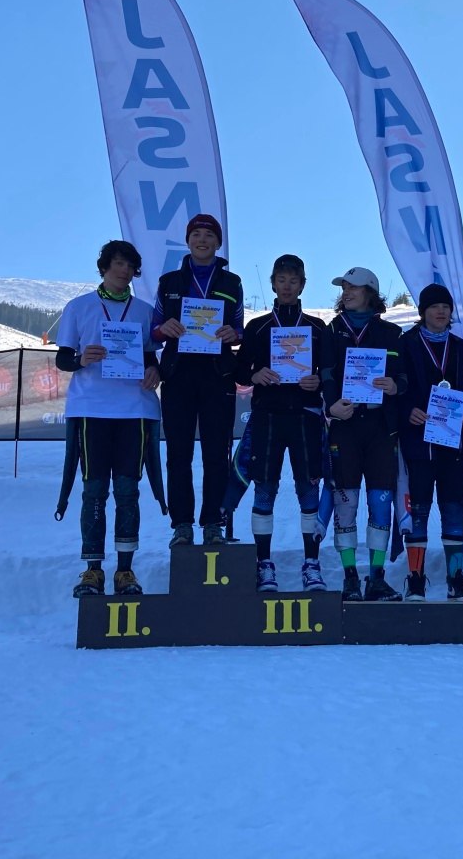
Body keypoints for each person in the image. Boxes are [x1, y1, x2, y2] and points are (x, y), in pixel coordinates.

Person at [56, 240, 162, 597]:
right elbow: (63, 359)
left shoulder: (144, 311)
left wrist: (155, 372)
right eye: (118, 264)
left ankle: (125, 571)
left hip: (135, 410)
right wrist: (81, 359)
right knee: (95, 491)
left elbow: (152, 358)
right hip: (92, 409)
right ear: (104, 267)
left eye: (130, 266)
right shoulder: (79, 307)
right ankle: (93, 570)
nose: (124, 271)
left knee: (128, 491)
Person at [233, 254, 332, 592]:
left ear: (302, 285)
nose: (287, 286)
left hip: (306, 418)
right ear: (273, 284)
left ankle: (312, 563)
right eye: (281, 280)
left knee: (308, 488)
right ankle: (264, 564)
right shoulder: (258, 327)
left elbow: (330, 373)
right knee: (265, 488)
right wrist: (254, 374)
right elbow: (238, 370)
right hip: (268, 417)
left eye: (293, 280)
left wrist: (318, 382)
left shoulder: (317, 328)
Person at [152, 214, 244, 547]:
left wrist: (233, 334)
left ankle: (213, 523)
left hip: (217, 374)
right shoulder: (169, 281)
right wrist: (164, 329)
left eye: (208, 235)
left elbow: (239, 328)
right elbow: (154, 328)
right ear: (188, 240)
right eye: (196, 234)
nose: (202, 240)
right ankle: (182, 524)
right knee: (178, 453)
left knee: (216, 452)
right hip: (178, 373)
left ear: (218, 242)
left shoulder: (232, 282)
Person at [320, 267, 407, 601]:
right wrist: (331, 406)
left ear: (370, 292)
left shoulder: (391, 333)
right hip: (345, 425)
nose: (346, 292)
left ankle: (377, 577)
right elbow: (326, 373)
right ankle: (350, 578)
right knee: (346, 501)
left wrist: (395, 386)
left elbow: (405, 377)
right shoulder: (332, 330)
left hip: (379, 427)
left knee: (380, 501)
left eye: (353, 287)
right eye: (343, 287)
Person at [397, 283, 463, 602]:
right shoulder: (406, 344)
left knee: (453, 508)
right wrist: (408, 411)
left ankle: (455, 578)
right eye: (434, 306)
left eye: (446, 306)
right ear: (423, 312)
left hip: (454, 443)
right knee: (418, 509)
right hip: (418, 442)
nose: (441, 311)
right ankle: (415, 578)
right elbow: (395, 388)